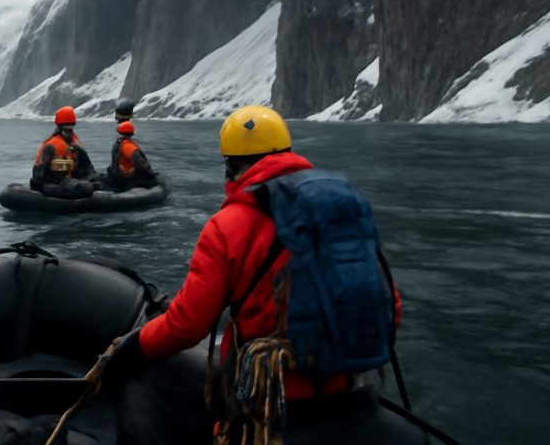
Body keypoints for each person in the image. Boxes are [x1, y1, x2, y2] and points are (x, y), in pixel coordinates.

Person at [104, 105, 416, 445]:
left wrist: (136, 345)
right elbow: (391, 308)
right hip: (345, 393)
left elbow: (188, 325)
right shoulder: (342, 211)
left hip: (267, 402)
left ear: (231, 165)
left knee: (150, 383)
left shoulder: (229, 225)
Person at [30, 105, 98, 198]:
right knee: (86, 188)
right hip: (52, 183)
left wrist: (93, 179)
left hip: (72, 180)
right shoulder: (50, 146)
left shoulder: (76, 145)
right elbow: (38, 175)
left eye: (71, 126)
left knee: (98, 182)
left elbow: (88, 168)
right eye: (66, 126)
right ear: (60, 127)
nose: (69, 130)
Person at [104, 120, 159, 191]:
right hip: (126, 178)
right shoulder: (129, 147)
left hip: (116, 174)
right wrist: (150, 174)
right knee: (154, 181)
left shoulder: (119, 144)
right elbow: (140, 164)